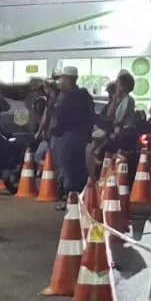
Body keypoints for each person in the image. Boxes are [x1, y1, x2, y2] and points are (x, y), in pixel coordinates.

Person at [46, 66, 94, 210]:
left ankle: (71, 201)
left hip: (66, 137)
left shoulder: (65, 96)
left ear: (68, 79)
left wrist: (53, 131)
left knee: (68, 168)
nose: (60, 81)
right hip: (81, 137)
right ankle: (81, 199)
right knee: (78, 168)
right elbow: (90, 115)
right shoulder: (84, 95)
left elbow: (58, 118)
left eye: (62, 78)